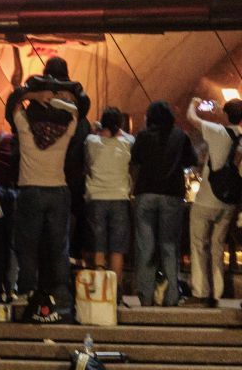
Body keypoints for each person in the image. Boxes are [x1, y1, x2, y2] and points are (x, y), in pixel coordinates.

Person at [7, 70, 86, 322]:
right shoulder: (66, 129)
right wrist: (63, 97)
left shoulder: (24, 127)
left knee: (27, 246)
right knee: (58, 246)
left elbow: (13, 103)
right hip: (58, 191)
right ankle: (61, 293)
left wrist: (32, 94)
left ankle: (27, 290)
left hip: (30, 190)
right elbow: (79, 108)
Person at [129, 100, 194, 307]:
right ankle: (172, 295)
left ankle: (145, 296)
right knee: (169, 246)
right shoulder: (180, 136)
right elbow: (190, 160)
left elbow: (135, 159)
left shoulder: (143, 136)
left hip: (146, 194)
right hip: (172, 196)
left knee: (145, 246)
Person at [187, 95, 242, 306]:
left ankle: (201, 292)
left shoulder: (217, 131)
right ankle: (218, 294)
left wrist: (194, 103)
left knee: (198, 243)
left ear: (226, 114)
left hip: (206, 199)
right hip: (228, 203)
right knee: (218, 247)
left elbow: (191, 118)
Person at [84, 108, 135, 288]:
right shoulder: (127, 143)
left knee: (98, 246)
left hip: (96, 198)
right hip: (120, 198)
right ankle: (115, 292)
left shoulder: (92, 141)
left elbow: (92, 133)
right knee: (117, 249)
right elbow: (127, 136)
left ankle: (98, 291)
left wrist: (98, 128)